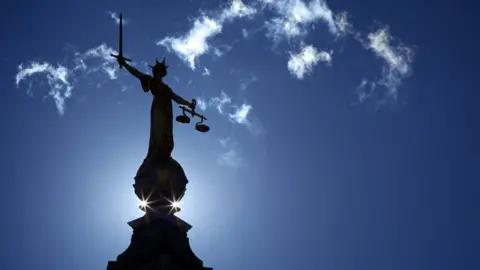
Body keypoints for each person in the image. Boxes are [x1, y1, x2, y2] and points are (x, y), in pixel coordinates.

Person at [116, 57, 196, 160]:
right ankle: (156, 152)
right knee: (158, 129)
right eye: (162, 71)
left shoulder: (166, 87)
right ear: (157, 71)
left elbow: (176, 97)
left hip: (167, 110)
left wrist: (188, 104)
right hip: (158, 107)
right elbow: (136, 73)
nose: (163, 73)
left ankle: (165, 152)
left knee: (167, 130)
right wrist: (125, 64)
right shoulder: (150, 80)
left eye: (164, 71)